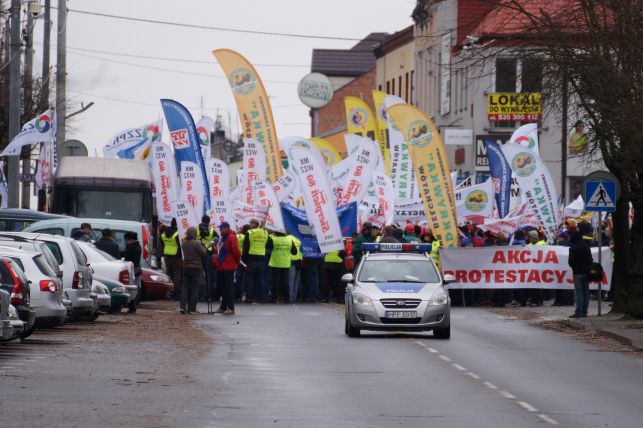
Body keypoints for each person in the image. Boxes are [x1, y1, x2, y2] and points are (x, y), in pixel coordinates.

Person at [214, 222, 240, 315]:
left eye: (221, 228)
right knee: (223, 287)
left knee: (229, 287)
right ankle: (223, 307)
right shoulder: (223, 238)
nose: (220, 230)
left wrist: (235, 262)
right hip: (222, 265)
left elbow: (236, 251)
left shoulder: (231, 237)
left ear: (226, 228)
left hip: (228, 265)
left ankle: (231, 307)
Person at [242, 219, 269, 303]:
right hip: (261, 258)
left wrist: (244, 259)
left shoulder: (249, 233)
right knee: (262, 279)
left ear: (254, 224)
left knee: (250, 279)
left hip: (251, 258)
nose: (249, 224)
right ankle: (262, 297)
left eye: (251, 223)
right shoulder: (265, 232)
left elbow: (245, 247)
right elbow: (268, 244)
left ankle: (249, 298)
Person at [180, 227, 206, 314]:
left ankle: (182, 306)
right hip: (195, 268)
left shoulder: (184, 243)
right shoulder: (196, 243)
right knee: (194, 288)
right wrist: (204, 246)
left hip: (186, 267)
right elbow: (203, 253)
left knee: (185, 288)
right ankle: (192, 308)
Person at [568, 231, 593, 318]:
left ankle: (579, 312)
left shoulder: (573, 248)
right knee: (586, 292)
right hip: (586, 272)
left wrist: (575, 268)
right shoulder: (586, 246)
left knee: (579, 293)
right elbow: (590, 259)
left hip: (577, 273)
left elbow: (571, 261)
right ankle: (585, 311)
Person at [267, 231, 296, 303]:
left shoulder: (274, 239)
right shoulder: (289, 240)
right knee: (285, 282)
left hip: (275, 263)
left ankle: (274, 298)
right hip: (285, 263)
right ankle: (286, 298)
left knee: (275, 282)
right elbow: (294, 252)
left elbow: (267, 247)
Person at [197, 215, 219, 303]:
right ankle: (206, 296)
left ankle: (198, 294)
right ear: (209, 221)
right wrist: (209, 244)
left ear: (202, 220)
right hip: (208, 254)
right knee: (208, 276)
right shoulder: (212, 230)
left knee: (199, 274)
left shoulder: (196, 228)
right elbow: (216, 239)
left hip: (198, 254)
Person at [160, 218, 182, 300]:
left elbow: (162, 244)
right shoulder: (177, 234)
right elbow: (180, 245)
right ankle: (176, 294)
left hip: (167, 256)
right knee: (177, 275)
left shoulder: (164, 233)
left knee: (169, 275)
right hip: (177, 256)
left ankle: (168, 293)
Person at [123, 231, 142, 313]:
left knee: (130, 287)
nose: (125, 241)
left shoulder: (130, 246)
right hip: (137, 268)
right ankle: (134, 305)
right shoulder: (138, 245)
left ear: (129, 239)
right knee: (136, 287)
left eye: (126, 239)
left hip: (131, 268)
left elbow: (126, 256)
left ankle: (132, 306)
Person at [288, 234, 302, 304]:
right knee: (296, 281)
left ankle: (290, 297)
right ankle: (294, 297)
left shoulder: (287, 238)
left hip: (291, 261)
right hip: (299, 261)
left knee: (291, 281)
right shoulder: (297, 239)